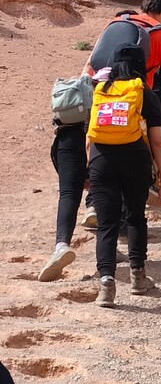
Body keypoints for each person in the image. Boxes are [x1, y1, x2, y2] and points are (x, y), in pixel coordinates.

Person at [87, 46, 161, 308]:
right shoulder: (144, 93)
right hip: (135, 159)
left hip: (101, 159)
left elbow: (89, 136)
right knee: (135, 217)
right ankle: (138, 277)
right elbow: (157, 142)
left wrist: (89, 170)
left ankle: (106, 286)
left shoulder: (100, 90)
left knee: (106, 224)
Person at [84, 0, 161, 153]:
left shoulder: (115, 23)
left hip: (103, 97)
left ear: (143, 9)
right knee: (149, 148)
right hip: (137, 101)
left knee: (99, 144)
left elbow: (90, 64)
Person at [39, 75, 92, 281]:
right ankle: (110, 244)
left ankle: (61, 245)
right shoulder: (116, 87)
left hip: (65, 140)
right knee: (105, 192)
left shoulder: (91, 68)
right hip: (95, 139)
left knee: (68, 195)